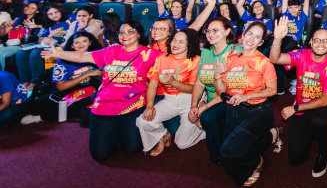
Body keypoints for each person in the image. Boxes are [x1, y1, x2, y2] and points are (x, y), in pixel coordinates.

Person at [41, 20, 162, 161]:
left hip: (133, 106)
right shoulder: (110, 51)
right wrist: (57, 53)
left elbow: (172, 61)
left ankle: (121, 132)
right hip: (105, 105)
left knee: (131, 149)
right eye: (122, 32)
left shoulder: (151, 54)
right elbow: (81, 56)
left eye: (130, 31)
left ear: (139, 33)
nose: (125, 35)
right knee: (100, 155)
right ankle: (112, 132)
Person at [212, 21, 280, 186]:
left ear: (261, 42)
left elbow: (272, 90)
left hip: (257, 111)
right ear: (244, 34)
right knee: (227, 156)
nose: (251, 39)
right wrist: (216, 75)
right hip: (233, 110)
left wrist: (246, 96)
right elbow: (221, 91)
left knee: (229, 150)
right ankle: (272, 134)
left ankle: (256, 162)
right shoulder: (231, 58)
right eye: (250, 34)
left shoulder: (263, 62)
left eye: (257, 37)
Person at [270, 27, 327, 178]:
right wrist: (277, 39)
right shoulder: (302, 54)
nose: (321, 44)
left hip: (323, 104)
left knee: (319, 121)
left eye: (325, 41)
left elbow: (325, 100)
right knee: (296, 159)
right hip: (303, 103)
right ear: (311, 42)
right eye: (317, 40)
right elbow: (275, 59)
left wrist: (295, 108)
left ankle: (322, 153)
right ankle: (308, 130)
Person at [137, 26, 205, 156]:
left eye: (181, 41)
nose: (175, 44)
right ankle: (162, 135)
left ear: (189, 44)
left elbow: (193, 89)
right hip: (170, 100)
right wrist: (149, 106)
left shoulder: (195, 60)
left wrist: (173, 82)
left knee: (182, 144)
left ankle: (205, 127)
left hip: (190, 101)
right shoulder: (162, 58)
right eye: (174, 40)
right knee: (142, 121)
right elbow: (152, 85)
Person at [188, 17, 241, 164]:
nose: (210, 34)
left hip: (231, 99)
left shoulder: (235, 52)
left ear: (227, 31)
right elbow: (199, 82)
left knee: (208, 117)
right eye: (208, 31)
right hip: (212, 100)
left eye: (215, 30)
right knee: (210, 119)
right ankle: (218, 154)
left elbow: (227, 92)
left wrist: (203, 108)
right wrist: (194, 105)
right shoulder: (206, 52)